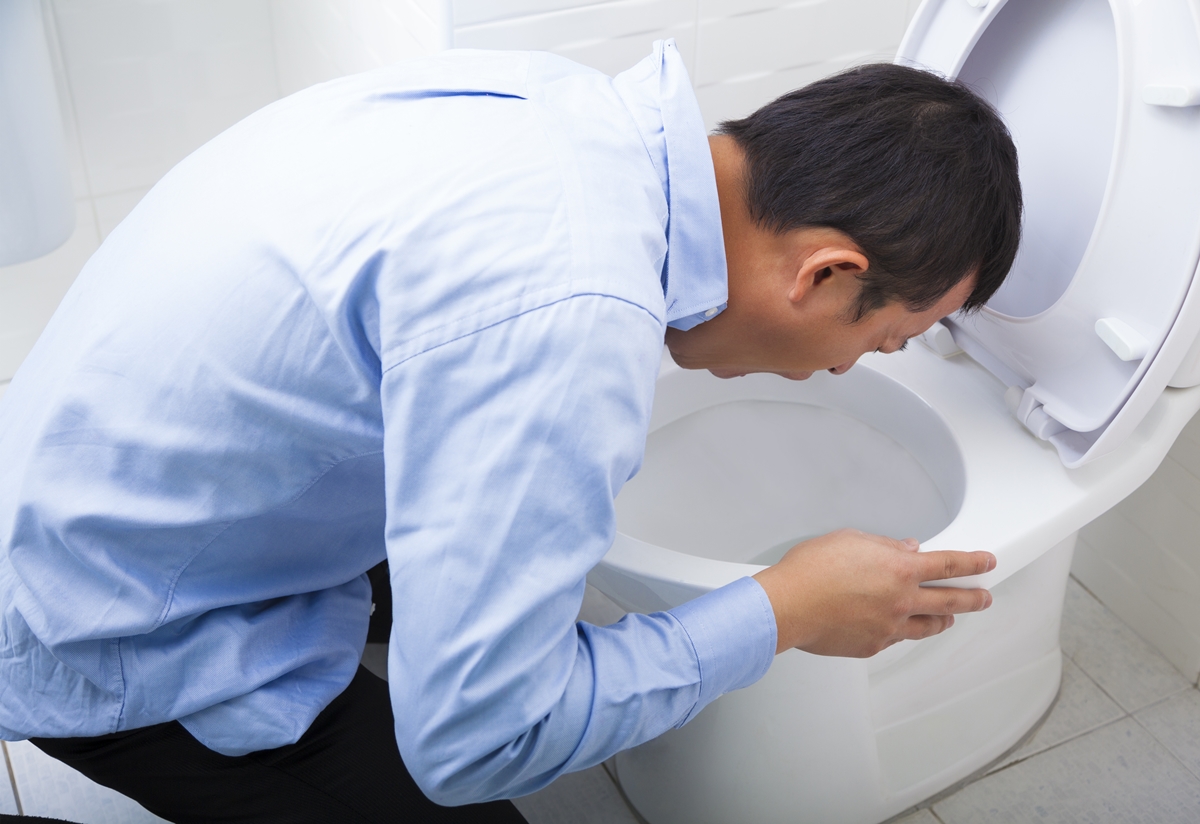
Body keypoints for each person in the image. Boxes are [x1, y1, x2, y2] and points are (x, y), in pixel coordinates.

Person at [0, 39, 1018, 823]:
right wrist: (782, 609)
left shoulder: (563, 108)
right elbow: (477, 740)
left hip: (73, 469)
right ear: (826, 274)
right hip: (99, 621)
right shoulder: (572, 309)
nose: (843, 371)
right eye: (882, 340)